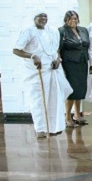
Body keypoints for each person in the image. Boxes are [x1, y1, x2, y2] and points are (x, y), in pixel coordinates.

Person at [13, 10, 72, 138]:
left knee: (54, 98)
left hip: (53, 70)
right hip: (37, 72)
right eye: (40, 16)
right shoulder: (28, 31)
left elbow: (55, 50)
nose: (43, 18)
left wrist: (58, 59)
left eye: (45, 16)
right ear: (34, 17)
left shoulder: (52, 31)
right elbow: (16, 50)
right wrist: (32, 56)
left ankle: (53, 127)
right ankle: (40, 129)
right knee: (38, 100)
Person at [59, 10, 90, 127]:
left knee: (80, 89)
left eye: (75, 18)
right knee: (72, 90)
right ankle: (67, 117)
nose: (73, 21)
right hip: (70, 64)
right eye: (71, 19)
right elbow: (58, 49)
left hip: (82, 62)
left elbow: (87, 45)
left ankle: (77, 114)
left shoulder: (83, 30)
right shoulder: (62, 31)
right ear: (66, 20)